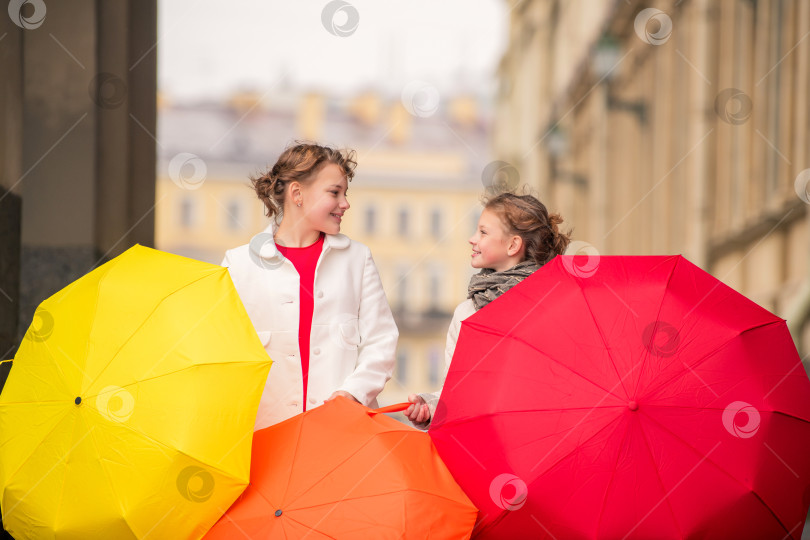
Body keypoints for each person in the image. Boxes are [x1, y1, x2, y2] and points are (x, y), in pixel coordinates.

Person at [222, 142, 399, 430]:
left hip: (342, 431)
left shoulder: (357, 259)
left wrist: (352, 394)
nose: (345, 203)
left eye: (345, 193)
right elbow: (223, 352)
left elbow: (381, 341)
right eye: (334, 192)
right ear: (297, 194)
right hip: (264, 435)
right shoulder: (238, 265)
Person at [405, 192, 571, 428]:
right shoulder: (467, 313)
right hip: (489, 440)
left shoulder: (553, 306)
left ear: (513, 245)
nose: (472, 239)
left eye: (483, 232)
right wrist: (430, 406)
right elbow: (456, 389)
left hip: (542, 434)